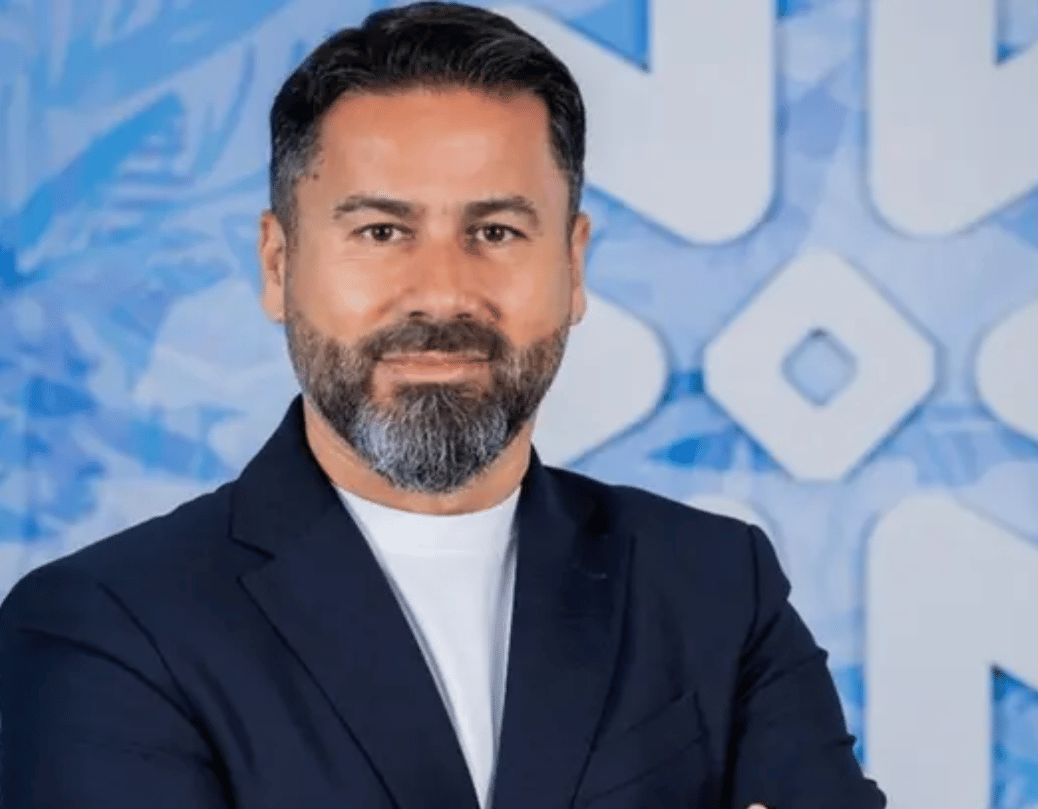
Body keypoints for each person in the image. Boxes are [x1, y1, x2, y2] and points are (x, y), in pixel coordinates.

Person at [0, 3, 886, 807]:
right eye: (381, 231)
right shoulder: (104, 625)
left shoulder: (717, 587)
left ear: (573, 265)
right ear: (278, 265)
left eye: (495, 231)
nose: (442, 292)